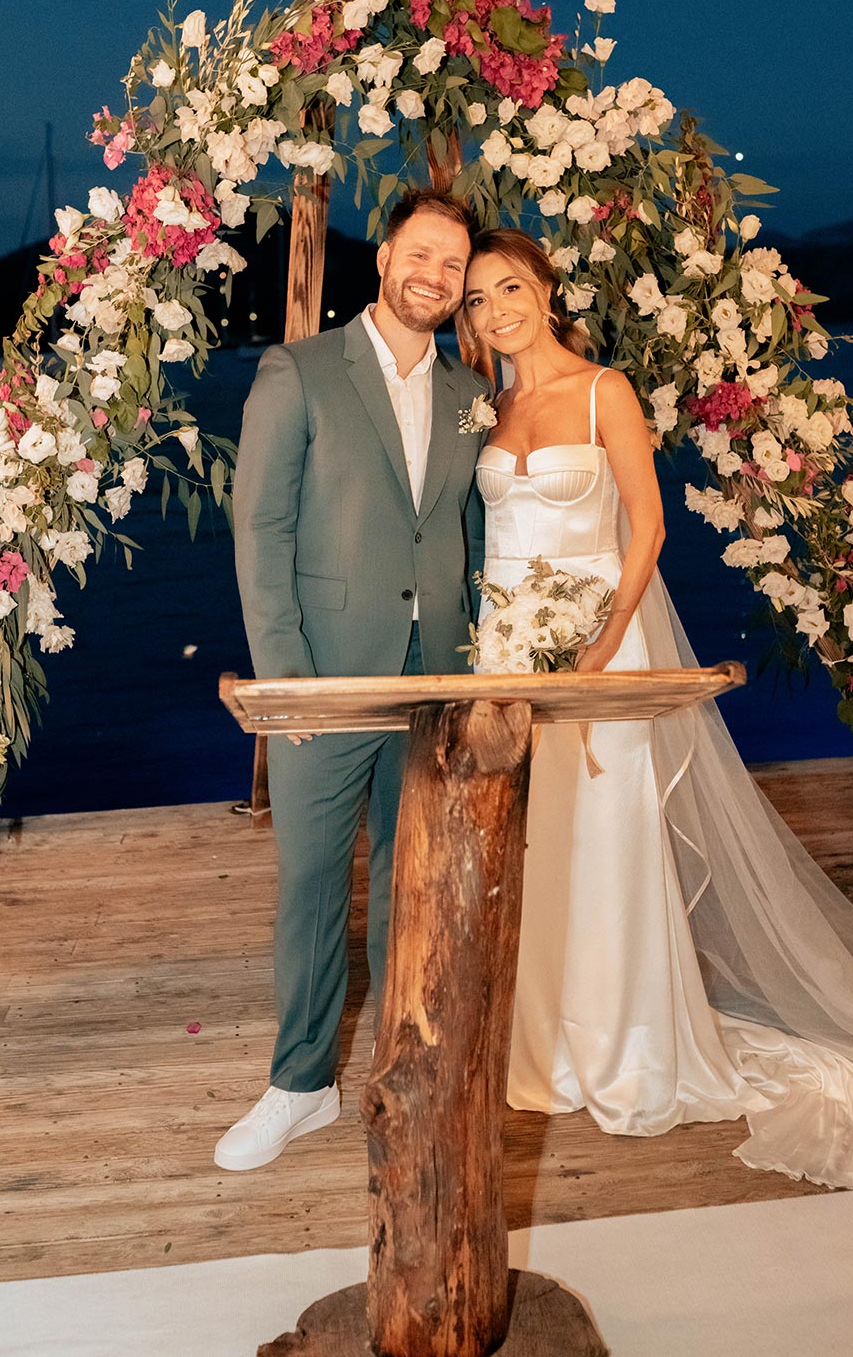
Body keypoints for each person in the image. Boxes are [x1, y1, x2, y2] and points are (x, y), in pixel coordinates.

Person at [459, 226, 853, 1189]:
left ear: (545, 286)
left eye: (508, 286)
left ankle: (627, 1046)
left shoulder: (603, 390)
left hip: (600, 644)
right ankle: (539, 1046)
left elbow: (649, 523)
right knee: (533, 846)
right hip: (509, 650)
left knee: (608, 842)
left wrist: (600, 637)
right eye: (475, 299)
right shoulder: (490, 406)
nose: (496, 309)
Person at [218, 189, 487, 1172]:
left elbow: (470, 533)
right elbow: (263, 531)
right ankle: (298, 1084)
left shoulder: (467, 391)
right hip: (326, 676)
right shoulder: (301, 370)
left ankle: (400, 1071)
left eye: (454, 265)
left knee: (412, 880)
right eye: (423, 253)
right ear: (384, 257)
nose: (437, 275)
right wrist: (286, 676)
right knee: (312, 882)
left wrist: (484, 663)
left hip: (437, 681)